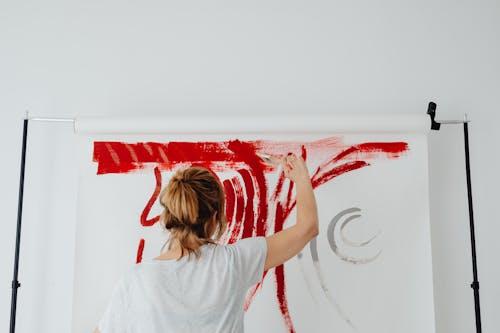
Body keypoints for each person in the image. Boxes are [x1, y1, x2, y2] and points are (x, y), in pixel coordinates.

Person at [93, 153, 319, 333]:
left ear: (169, 216)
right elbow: (308, 227)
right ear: (214, 219)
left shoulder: (137, 280)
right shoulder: (233, 263)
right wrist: (300, 177)